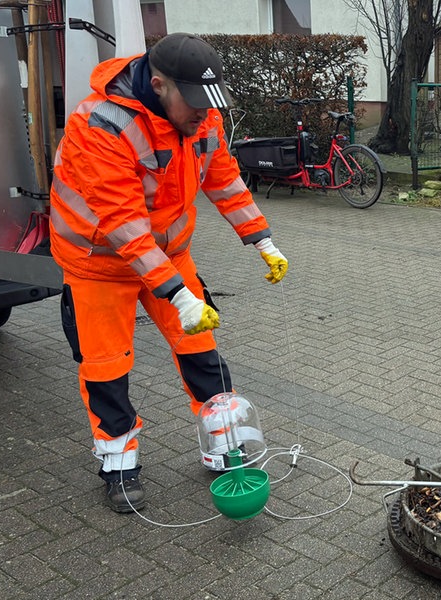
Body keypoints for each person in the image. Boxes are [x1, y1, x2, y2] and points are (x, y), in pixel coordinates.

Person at [49, 33, 290, 513]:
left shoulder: (203, 115)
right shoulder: (100, 125)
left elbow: (224, 179)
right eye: (195, 104)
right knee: (106, 369)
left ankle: (224, 445)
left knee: (202, 353)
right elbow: (122, 225)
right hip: (99, 265)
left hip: (170, 256)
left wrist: (262, 239)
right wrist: (180, 297)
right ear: (158, 86)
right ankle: (118, 464)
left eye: (210, 103)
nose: (204, 114)